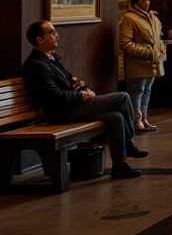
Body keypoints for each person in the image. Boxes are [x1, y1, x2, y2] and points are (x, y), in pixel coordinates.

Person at [23, 20, 149, 179]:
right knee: (122, 98)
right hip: (63, 113)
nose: (57, 35)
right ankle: (129, 143)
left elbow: (69, 82)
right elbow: (55, 96)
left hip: (73, 106)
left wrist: (81, 86)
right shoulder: (36, 65)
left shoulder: (53, 57)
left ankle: (119, 164)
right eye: (52, 32)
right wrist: (83, 96)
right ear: (39, 40)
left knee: (116, 117)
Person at [118, 0, 166, 132]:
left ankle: (144, 118)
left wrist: (161, 50)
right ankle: (134, 120)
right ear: (135, 2)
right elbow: (125, 44)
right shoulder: (129, 19)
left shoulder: (152, 18)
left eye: (148, 0)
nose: (147, 3)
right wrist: (147, 51)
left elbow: (158, 38)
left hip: (152, 62)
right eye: (143, 0)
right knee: (137, 91)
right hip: (137, 63)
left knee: (146, 90)